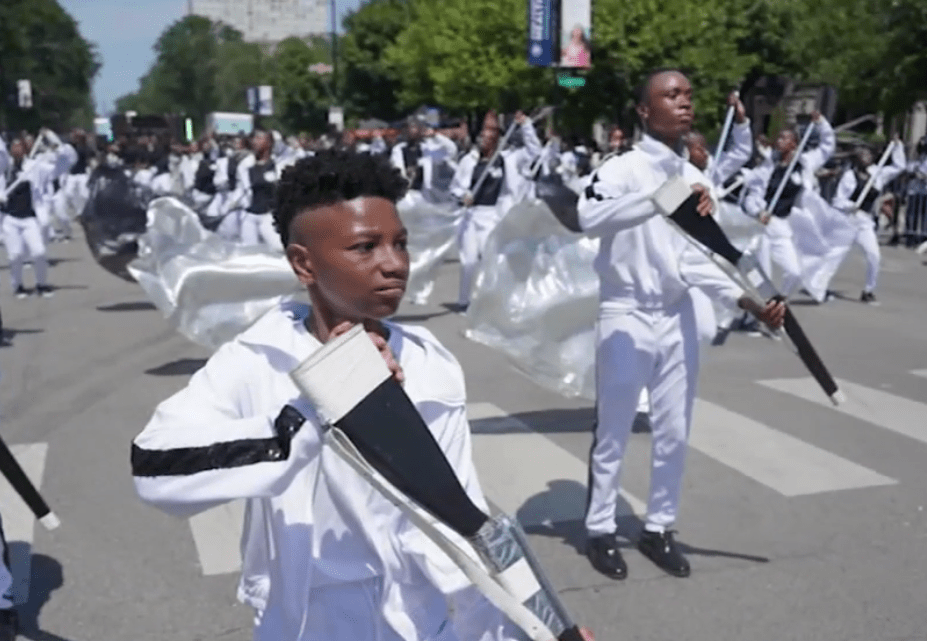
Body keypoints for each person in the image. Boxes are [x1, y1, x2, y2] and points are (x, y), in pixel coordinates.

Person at [131, 149, 590, 641]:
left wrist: (537, 629)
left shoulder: (428, 361)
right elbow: (154, 468)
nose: (394, 264)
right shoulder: (258, 358)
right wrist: (313, 411)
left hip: (420, 624)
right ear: (303, 264)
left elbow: (462, 520)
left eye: (401, 243)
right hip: (307, 626)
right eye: (365, 247)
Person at [577, 69, 784, 580]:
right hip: (625, 313)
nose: (685, 102)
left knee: (673, 430)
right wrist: (655, 200)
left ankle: (659, 527)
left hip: (677, 316)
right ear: (646, 111)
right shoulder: (622, 167)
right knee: (616, 430)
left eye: (689, 94)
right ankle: (601, 528)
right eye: (671, 95)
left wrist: (746, 300)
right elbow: (589, 217)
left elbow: (694, 261)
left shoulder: (696, 178)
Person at [450, 110, 541, 310]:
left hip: (492, 216)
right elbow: (455, 187)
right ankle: (464, 301)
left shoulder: (508, 159)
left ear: (497, 137)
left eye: (489, 131)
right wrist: (462, 195)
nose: (484, 136)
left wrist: (526, 125)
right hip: (471, 216)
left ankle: (489, 301)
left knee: (490, 260)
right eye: (482, 132)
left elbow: (535, 151)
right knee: (469, 261)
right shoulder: (469, 161)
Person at [742, 111, 835, 300]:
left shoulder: (805, 163)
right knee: (762, 276)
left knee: (794, 272)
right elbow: (752, 196)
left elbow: (827, 147)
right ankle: (757, 315)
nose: (779, 141)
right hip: (762, 225)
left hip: (782, 227)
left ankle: (779, 302)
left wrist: (821, 124)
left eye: (785, 138)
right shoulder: (768, 166)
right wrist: (757, 211)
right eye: (779, 137)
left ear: (794, 143)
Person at [831, 139, 905, 304]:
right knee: (834, 255)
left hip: (864, 222)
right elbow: (837, 200)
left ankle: (868, 290)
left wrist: (897, 146)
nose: (866, 157)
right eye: (862, 154)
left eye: (868, 154)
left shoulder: (878, 174)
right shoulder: (849, 176)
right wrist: (850, 205)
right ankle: (818, 287)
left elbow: (899, 167)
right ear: (856, 158)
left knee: (873, 255)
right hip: (848, 221)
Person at [0, 137, 56, 298]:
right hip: (10, 219)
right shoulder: (4, 169)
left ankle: (42, 284)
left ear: (24, 150)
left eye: (20, 146)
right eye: (14, 147)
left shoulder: (33, 167)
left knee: (39, 252)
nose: (17, 150)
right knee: (15, 256)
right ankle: (18, 286)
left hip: (29, 218)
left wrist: (55, 144)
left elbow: (57, 168)